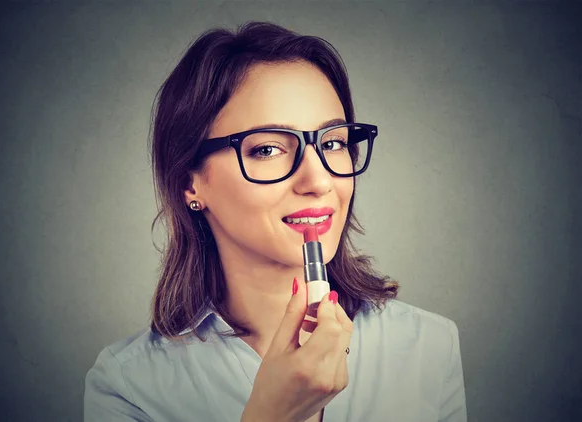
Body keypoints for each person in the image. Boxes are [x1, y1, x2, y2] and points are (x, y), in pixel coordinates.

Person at [84, 21, 467, 422]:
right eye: (267, 149)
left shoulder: (428, 346)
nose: (319, 180)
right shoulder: (130, 387)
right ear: (189, 182)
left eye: (333, 143)